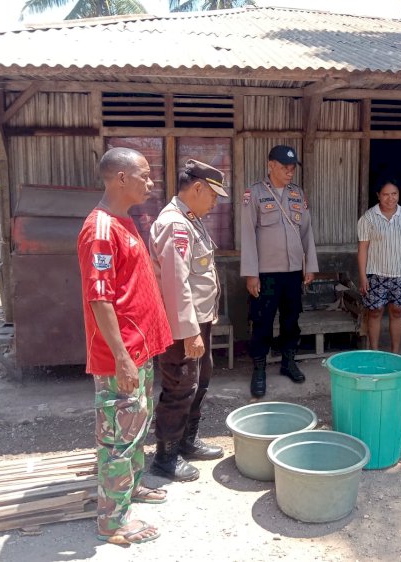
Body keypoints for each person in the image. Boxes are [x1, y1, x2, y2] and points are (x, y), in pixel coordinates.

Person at [77, 147, 173, 545]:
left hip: (138, 348)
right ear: (120, 178)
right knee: (118, 436)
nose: (151, 183)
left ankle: (130, 489)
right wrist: (121, 358)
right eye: (144, 176)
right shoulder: (100, 230)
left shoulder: (124, 221)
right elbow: (99, 299)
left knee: (135, 426)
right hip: (122, 355)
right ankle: (112, 521)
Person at [148, 160, 228, 482]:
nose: (215, 202)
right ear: (197, 188)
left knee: (199, 379)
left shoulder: (190, 220)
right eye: (213, 195)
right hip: (182, 326)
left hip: (198, 321)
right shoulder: (176, 224)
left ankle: (186, 441)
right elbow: (176, 284)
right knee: (180, 385)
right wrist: (189, 333)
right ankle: (165, 457)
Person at [240, 145, 318, 398]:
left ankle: (288, 362)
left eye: (292, 167)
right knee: (262, 321)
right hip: (266, 273)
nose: (290, 172)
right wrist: (251, 273)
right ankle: (259, 368)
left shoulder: (297, 194)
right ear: (270, 165)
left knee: (291, 320)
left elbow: (307, 231)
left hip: (294, 271)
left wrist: (311, 267)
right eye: (285, 167)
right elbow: (248, 236)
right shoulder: (255, 194)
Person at [358, 179, 401, 354]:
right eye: (386, 194)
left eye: (394, 194)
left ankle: (395, 353)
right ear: (378, 196)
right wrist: (363, 276)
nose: (390, 198)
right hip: (375, 273)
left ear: (399, 195)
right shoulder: (368, 217)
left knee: (397, 311)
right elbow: (363, 248)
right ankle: (374, 352)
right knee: (375, 311)